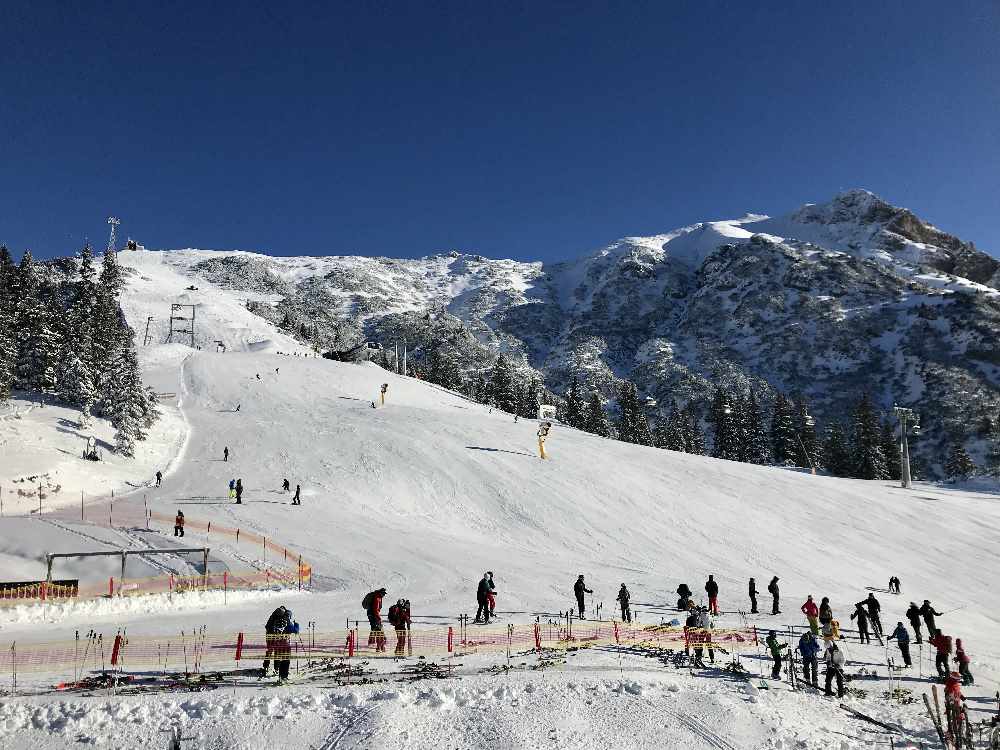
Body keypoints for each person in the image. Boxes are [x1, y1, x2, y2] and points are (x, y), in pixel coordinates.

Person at [262, 605, 292, 676]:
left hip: (270, 636)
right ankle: (276, 669)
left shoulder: (273, 615)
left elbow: (267, 626)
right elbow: (289, 629)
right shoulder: (285, 618)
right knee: (277, 653)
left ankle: (266, 667)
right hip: (279, 638)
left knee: (269, 651)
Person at [363, 587, 387, 652]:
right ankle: (379, 647)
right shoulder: (377, 598)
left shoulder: (377, 597)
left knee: (375, 629)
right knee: (379, 630)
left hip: (371, 615)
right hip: (374, 616)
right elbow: (375, 609)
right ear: (381, 593)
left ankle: (376, 645)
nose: (384, 595)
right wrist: (378, 618)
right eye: (383, 594)